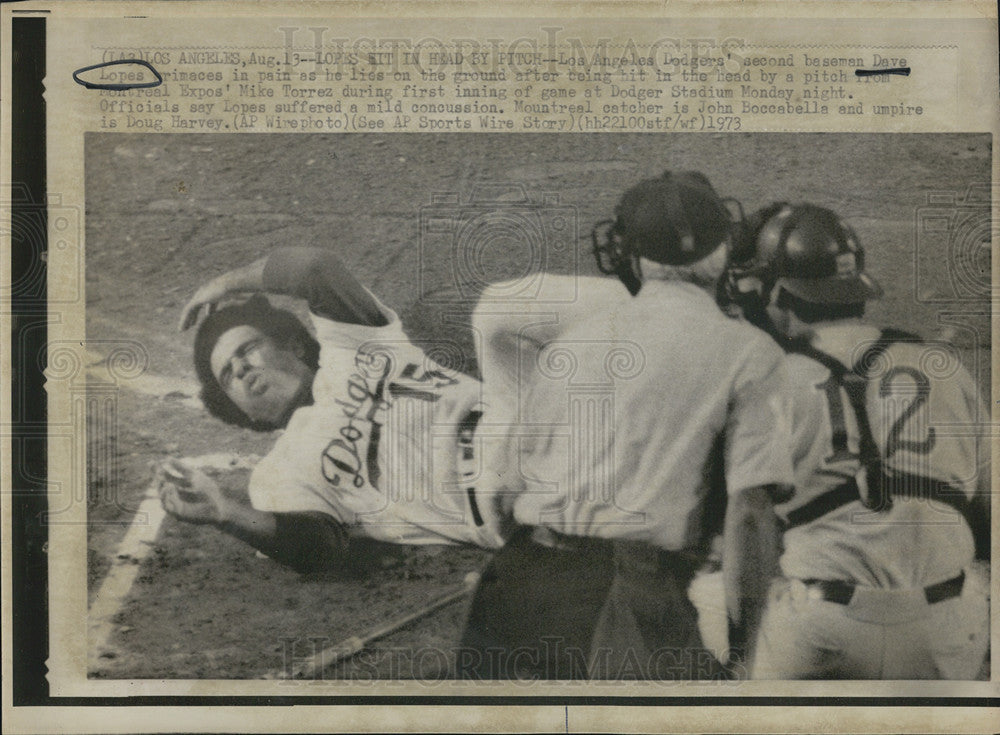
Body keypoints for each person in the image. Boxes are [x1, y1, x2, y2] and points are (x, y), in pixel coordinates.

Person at [457, 171, 796, 679]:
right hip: (624, 594)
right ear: (724, 251)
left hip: (512, 587)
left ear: (627, 255)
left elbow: (503, 496)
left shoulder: (571, 343)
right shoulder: (750, 351)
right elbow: (750, 515)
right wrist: (746, 652)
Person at [731, 202, 991, 679]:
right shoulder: (945, 366)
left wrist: (741, 652)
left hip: (823, 628)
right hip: (946, 624)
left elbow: (750, 522)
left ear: (775, 293)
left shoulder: (772, 381)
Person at [156, 246, 515, 576]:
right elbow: (318, 548)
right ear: (243, 412)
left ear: (294, 345)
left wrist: (225, 283)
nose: (242, 370)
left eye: (247, 350)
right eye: (228, 376)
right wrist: (225, 513)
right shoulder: (277, 474)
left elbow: (315, 269)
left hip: (529, 425)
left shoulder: (351, 350)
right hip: (508, 508)